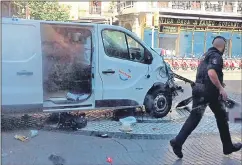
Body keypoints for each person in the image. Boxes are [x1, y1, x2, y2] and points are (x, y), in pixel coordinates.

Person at [170, 36, 242, 158]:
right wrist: (220, 88)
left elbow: (205, 73)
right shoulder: (217, 56)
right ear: (223, 46)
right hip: (209, 92)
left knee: (195, 118)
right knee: (222, 118)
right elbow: (211, 72)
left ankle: (178, 141)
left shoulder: (205, 55)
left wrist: (218, 82)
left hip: (198, 89)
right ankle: (227, 146)